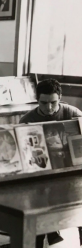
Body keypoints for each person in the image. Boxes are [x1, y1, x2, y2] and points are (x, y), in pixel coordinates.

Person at [19, 79, 82, 246]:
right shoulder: (26, 120)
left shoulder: (74, 113)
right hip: (41, 175)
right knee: (38, 203)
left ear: (60, 97)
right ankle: (43, 236)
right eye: (43, 103)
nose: (48, 108)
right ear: (37, 99)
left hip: (71, 172)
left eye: (53, 102)